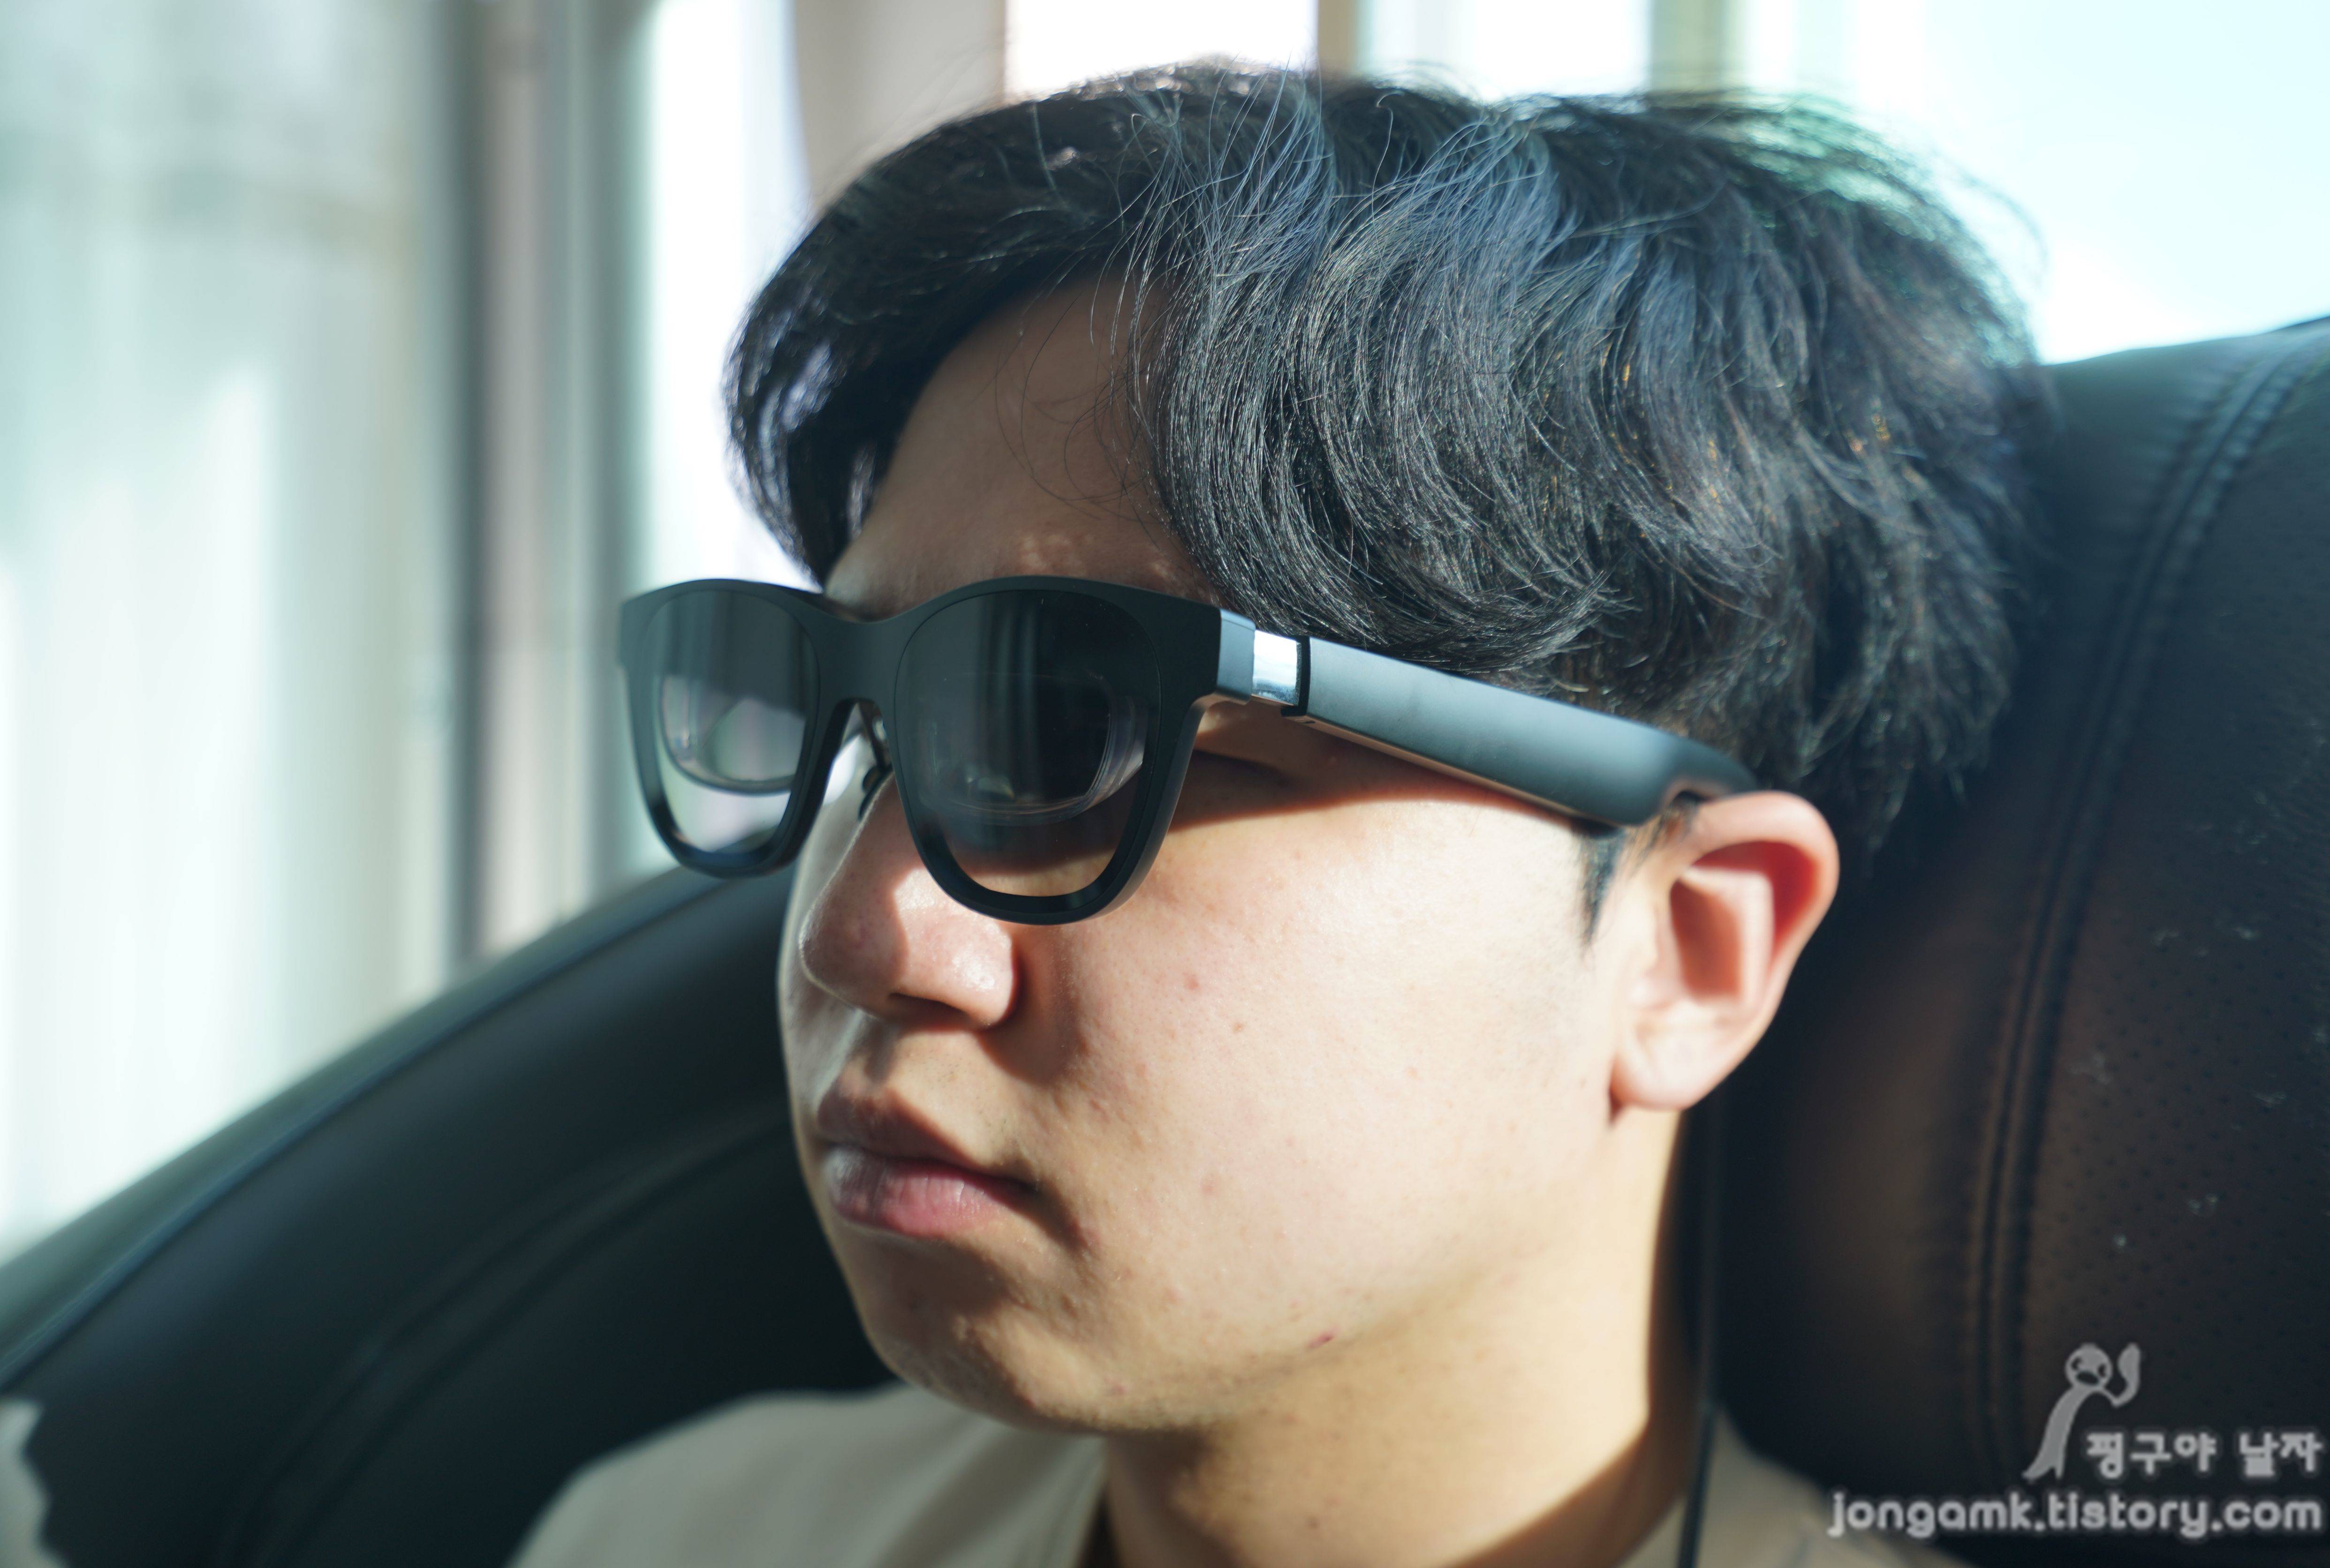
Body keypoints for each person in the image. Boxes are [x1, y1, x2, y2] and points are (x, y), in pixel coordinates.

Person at [513, 65, 2042, 1568]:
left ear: (1686, 953)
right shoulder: (674, 1536)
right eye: (866, 736)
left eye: (1084, 735)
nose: (860, 934)